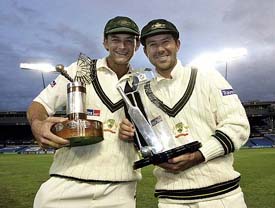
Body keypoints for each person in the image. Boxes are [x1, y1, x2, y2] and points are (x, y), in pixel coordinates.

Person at [119, 19, 250, 208]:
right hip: (171, 200)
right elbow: (145, 142)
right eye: (152, 45)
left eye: (166, 42)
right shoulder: (139, 94)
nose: (160, 49)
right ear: (146, 51)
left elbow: (238, 125)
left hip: (222, 197)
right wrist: (131, 136)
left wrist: (199, 155)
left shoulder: (207, 76)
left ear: (177, 45)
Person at [27, 16, 141, 208]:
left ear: (137, 45)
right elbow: (39, 105)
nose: (122, 46)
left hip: (119, 189)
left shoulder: (142, 81)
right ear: (105, 42)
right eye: (115, 39)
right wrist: (38, 125)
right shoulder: (81, 68)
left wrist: (138, 134)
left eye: (129, 40)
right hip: (67, 180)